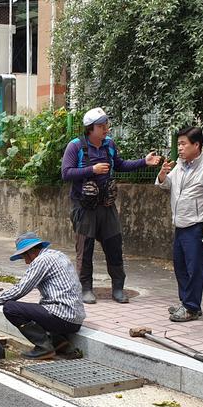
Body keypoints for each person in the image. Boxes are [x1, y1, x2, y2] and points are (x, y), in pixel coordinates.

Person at [61, 107, 162, 304]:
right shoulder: (75, 146)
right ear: (90, 128)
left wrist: (144, 162)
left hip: (107, 205)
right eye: (101, 126)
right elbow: (66, 173)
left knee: (114, 246)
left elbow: (121, 165)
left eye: (106, 125)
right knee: (86, 249)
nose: (106, 129)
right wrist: (92, 170)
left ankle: (118, 287)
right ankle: (86, 289)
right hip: (84, 207)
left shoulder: (109, 145)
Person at [0, 232, 85, 359]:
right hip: (74, 318)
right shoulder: (58, 255)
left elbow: (21, 289)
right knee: (38, 307)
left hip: (63, 316)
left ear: (31, 252)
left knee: (11, 308)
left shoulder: (42, 260)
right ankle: (59, 342)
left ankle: (44, 347)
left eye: (24, 257)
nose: (26, 262)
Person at [156, 126, 203, 322]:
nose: (180, 148)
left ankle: (192, 307)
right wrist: (162, 175)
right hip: (181, 225)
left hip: (197, 227)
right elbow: (167, 186)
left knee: (195, 268)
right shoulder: (180, 166)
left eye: (184, 144)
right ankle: (186, 302)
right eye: (179, 144)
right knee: (180, 266)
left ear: (197, 145)